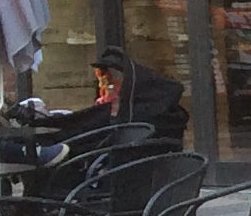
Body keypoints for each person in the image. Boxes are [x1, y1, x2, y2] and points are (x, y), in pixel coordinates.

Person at [14, 44, 189, 148]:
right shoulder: (118, 110)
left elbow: (88, 127)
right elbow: (82, 121)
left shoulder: (139, 114)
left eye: (113, 84)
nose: (107, 87)